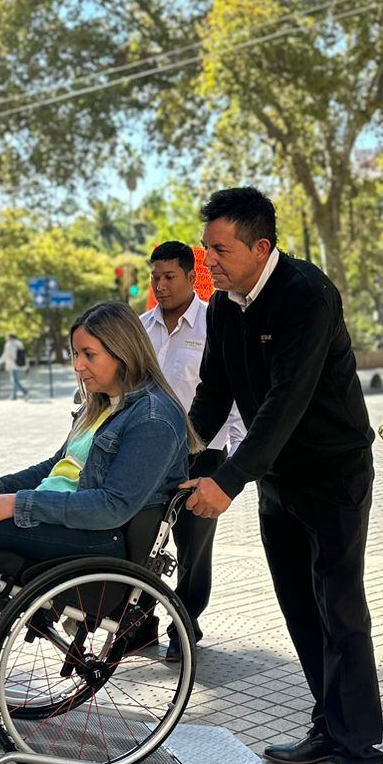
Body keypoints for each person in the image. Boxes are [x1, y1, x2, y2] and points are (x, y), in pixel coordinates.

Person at [185, 187, 383, 764]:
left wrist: (228, 481)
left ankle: (360, 758)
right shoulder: (223, 307)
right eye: (205, 248)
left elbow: (285, 402)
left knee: (341, 610)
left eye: (219, 249)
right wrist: (181, 453)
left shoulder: (307, 294)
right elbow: (215, 392)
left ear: (260, 247)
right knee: (300, 608)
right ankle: (328, 724)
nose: (208, 261)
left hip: (332, 476)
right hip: (279, 480)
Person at [0, 302, 193, 697]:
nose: (79, 366)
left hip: (94, 537)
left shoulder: (153, 418)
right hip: (53, 515)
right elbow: (56, 467)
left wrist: (15, 504)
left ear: (123, 350)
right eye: (76, 354)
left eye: (89, 355)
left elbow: (112, 506)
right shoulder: (103, 403)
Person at [142, 240, 245, 662]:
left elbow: (233, 394)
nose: (161, 286)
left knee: (192, 547)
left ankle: (183, 628)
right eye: (155, 278)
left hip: (203, 454)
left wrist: (233, 463)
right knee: (142, 540)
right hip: (148, 453)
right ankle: (139, 623)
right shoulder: (140, 327)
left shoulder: (214, 323)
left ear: (190, 276)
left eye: (169, 277)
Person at [0, 333, 29, 400]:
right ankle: (14, 395)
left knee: (14, 380)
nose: (5, 338)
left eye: (6, 337)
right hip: (18, 364)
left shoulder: (9, 344)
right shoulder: (19, 343)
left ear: (10, 337)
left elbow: (6, 354)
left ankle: (25, 392)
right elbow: (23, 354)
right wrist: (26, 366)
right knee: (14, 380)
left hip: (12, 364)